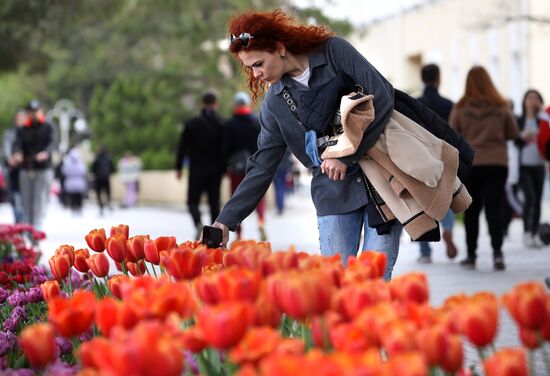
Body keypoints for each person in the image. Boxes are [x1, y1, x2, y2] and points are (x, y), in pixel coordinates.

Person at [211, 9, 403, 279]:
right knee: (337, 286)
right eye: (249, 67)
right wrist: (225, 221)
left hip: (383, 185)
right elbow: (261, 167)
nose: (255, 75)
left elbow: (382, 96)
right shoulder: (275, 105)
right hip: (332, 195)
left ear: (278, 47)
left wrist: (345, 155)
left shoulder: (334, 52)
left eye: (258, 64)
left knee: (376, 283)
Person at [450, 66, 519, 271]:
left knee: (472, 210)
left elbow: (453, 134)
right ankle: (498, 254)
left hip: (471, 164)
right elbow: (513, 133)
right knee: (494, 209)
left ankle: (471, 255)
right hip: (497, 163)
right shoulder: (501, 106)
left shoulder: (461, 107)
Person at [416, 64, 458, 264]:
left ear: (422, 79)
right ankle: (448, 229)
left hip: (422, 156)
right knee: (445, 198)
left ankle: (425, 252)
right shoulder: (448, 104)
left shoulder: (416, 103)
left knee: (421, 201)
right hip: (443, 155)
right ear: (438, 78)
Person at [175, 92, 224, 240]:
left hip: (196, 169)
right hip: (215, 170)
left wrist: (178, 168)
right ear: (216, 104)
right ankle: (213, 237)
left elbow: (182, 147)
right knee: (214, 203)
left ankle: (198, 223)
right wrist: (225, 167)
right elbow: (225, 148)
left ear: (202, 103)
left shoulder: (191, 123)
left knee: (192, 201)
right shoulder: (221, 123)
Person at [223, 91, 267, 241]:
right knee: (259, 195)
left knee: (236, 198)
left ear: (235, 105)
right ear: (247, 104)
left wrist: (224, 168)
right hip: (255, 166)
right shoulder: (256, 122)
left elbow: (225, 148)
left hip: (236, 168)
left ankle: (239, 233)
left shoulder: (230, 124)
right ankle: (261, 219)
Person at [11, 100, 56, 230]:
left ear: (41, 111)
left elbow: (52, 143)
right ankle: (28, 226)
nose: (33, 114)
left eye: (36, 111)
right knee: (26, 200)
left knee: (40, 199)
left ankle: (37, 227)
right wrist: (18, 153)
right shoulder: (23, 129)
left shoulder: (49, 127)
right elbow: (17, 144)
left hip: (43, 169)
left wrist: (46, 153)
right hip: (26, 168)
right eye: (31, 112)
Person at [516, 89, 546, 248]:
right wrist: (523, 136)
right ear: (524, 101)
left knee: (538, 200)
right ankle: (526, 231)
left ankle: (535, 233)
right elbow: (514, 139)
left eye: (536, 98)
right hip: (524, 166)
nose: (532, 101)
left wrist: (542, 112)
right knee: (530, 197)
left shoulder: (543, 120)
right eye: (530, 98)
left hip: (539, 164)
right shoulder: (519, 120)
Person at [2, 110, 26, 223]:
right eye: (18, 118)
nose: (19, 121)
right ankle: (18, 221)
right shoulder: (9, 133)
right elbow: (6, 148)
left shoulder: (29, 132)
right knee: (14, 197)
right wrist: (10, 159)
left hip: (25, 169)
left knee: (24, 199)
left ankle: (24, 223)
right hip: (12, 170)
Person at [61, 147, 88, 214]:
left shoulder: (68, 163)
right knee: (79, 196)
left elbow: (64, 171)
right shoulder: (81, 163)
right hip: (79, 182)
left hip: (71, 181)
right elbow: (84, 171)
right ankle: (79, 208)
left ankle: (73, 208)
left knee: (73, 197)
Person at [91, 145, 115, 215]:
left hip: (98, 178)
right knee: (108, 192)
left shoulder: (97, 158)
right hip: (106, 178)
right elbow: (112, 168)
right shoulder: (108, 158)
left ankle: (101, 206)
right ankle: (109, 203)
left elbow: (93, 168)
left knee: (99, 193)